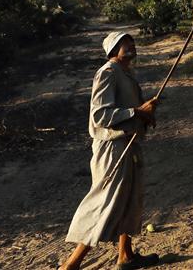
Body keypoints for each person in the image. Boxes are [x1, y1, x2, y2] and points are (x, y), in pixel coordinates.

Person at [59, 31, 161, 270]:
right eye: (124, 43)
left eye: (132, 42)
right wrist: (137, 112)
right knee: (106, 202)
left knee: (130, 200)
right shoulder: (107, 72)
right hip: (112, 147)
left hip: (129, 142)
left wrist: (145, 116)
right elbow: (100, 115)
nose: (130, 45)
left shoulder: (127, 74)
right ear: (113, 49)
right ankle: (70, 265)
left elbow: (132, 110)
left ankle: (125, 256)